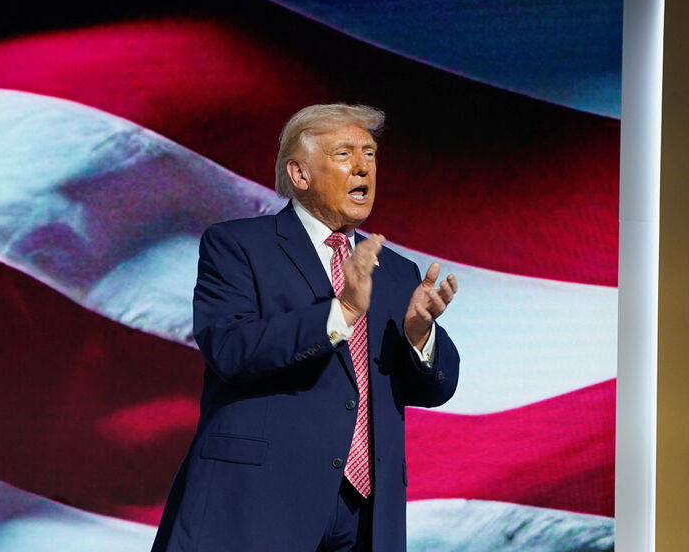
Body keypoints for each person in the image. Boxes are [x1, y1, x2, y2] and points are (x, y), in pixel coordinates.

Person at [151, 103, 460, 552]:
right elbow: (232, 349)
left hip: (366, 520)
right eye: (344, 154)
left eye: (370, 154)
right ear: (299, 174)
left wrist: (419, 337)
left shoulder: (394, 271)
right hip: (259, 503)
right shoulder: (238, 246)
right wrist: (341, 314)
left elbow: (435, 389)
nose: (363, 167)